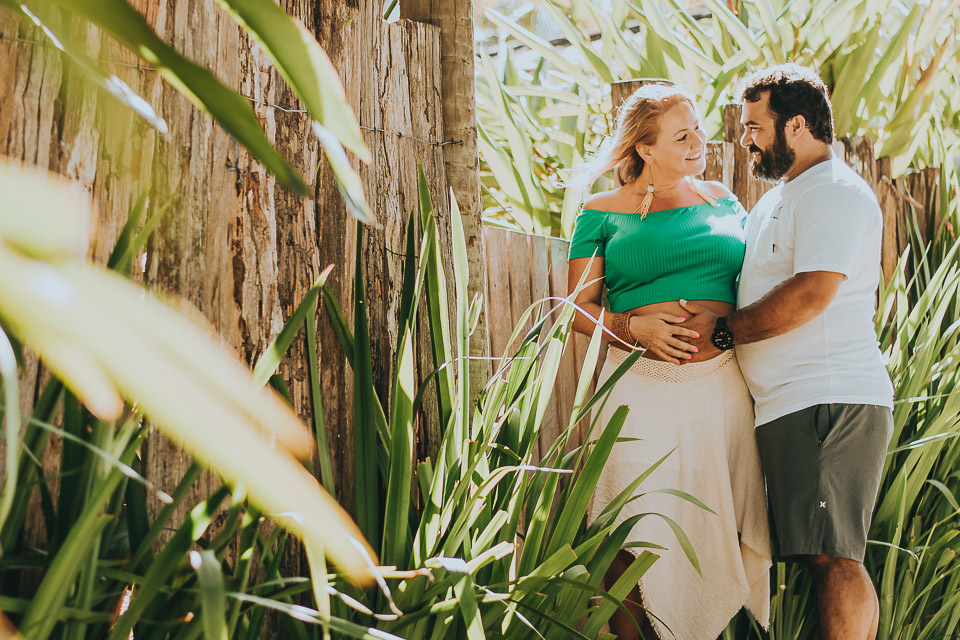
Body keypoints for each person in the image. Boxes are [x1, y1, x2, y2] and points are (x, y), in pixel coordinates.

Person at [678, 64, 895, 640]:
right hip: (788, 406)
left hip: (828, 399)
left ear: (796, 125)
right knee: (819, 554)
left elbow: (811, 293)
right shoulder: (784, 197)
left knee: (833, 557)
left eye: (754, 126)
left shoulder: (833, 193)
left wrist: (724, 331)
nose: (744, 137)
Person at [566, 82, 771, 640]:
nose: (698, 142)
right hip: (638, 389)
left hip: (721, 388)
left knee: (718, 528)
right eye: (681, 136)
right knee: (629, 528)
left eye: (698, 130)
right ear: (644, 148)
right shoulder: (600, 212)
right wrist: (634, 328)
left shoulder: (723, 200)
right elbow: (577, 309)